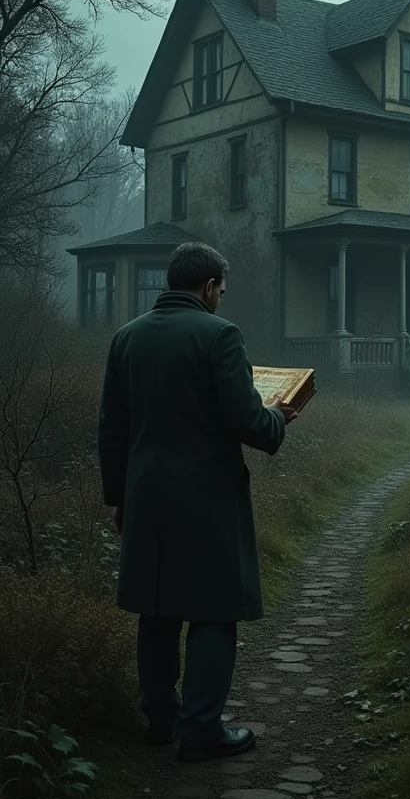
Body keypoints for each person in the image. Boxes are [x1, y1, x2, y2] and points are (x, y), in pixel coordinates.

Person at [97, 241, 297, 762]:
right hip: (207, 498)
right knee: (213, 609)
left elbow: (112, 430)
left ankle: (160, 721)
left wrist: (119, 497)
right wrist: (278, 415)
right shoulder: (220, 335)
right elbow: (249, 423)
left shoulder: (126, 338)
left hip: (146, 497)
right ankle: (202, 729)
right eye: (221, 292)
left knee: (157, 608)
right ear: (208, 287)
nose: (221, 301)